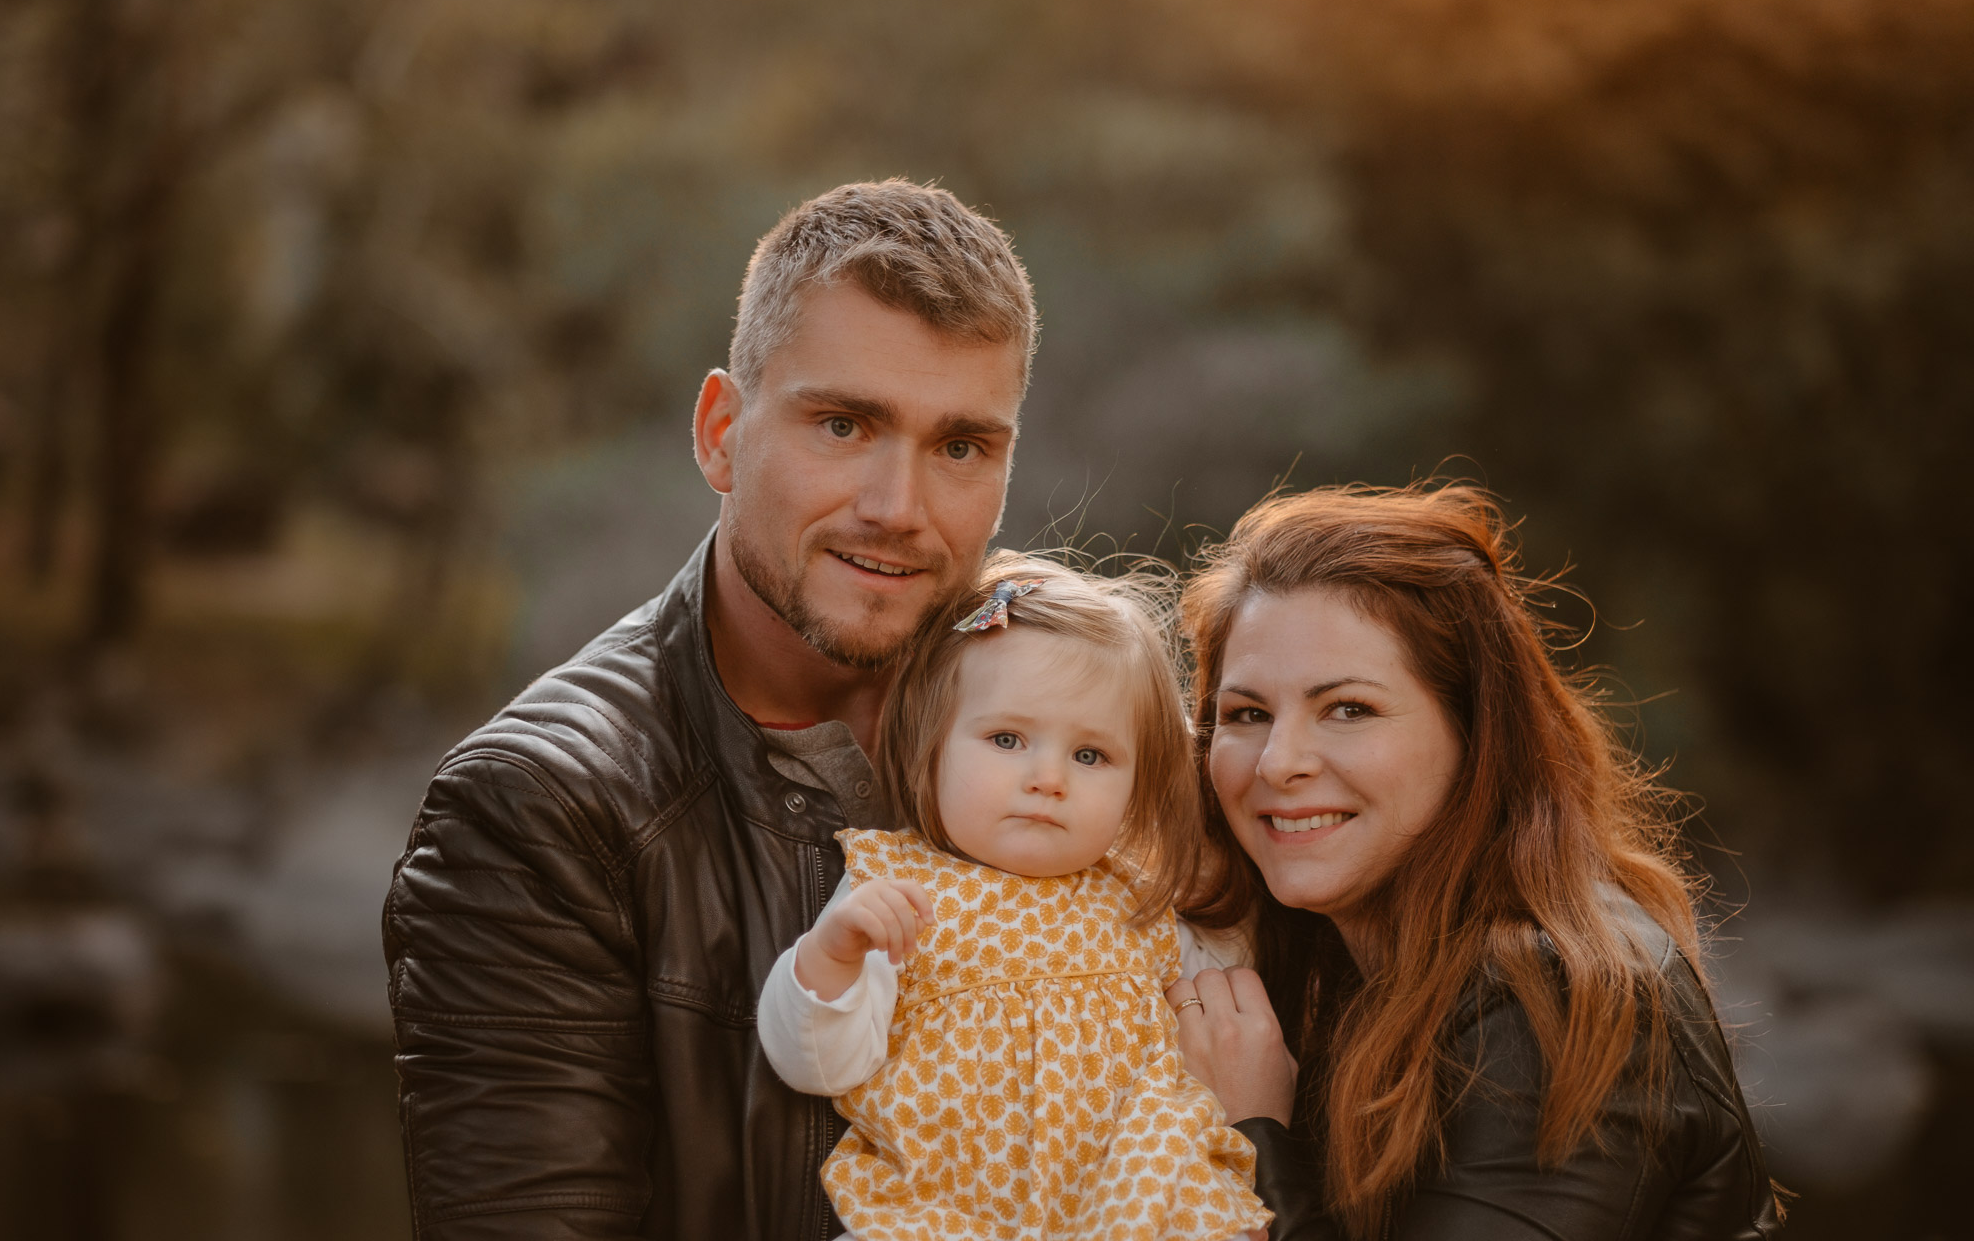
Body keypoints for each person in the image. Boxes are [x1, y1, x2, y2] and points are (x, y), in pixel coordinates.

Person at [382, 179, 1038, 1241]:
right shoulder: (536, 808)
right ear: (721, 431)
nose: (896, 507)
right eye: (841, 423)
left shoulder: (1085, 734)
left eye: (959, 446)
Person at [1164, 483, 1782, 1240]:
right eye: (1247, 715)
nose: (1278, 762)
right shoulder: (1330, 967)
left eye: (1348, 709)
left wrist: (1252, 1134)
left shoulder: (1551, 991)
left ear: (1476, 733)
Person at [755, 553, 1271, 1241]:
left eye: (1091, 756)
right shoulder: (896, 887)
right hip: (946, 1210)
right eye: (1007, 739)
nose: (1048, 778)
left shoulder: (1143, 900)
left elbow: (1231, 1018)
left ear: (1138, 780)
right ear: (929, 746)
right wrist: (833, 956)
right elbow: (818, 1065)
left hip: (1136, 1202)